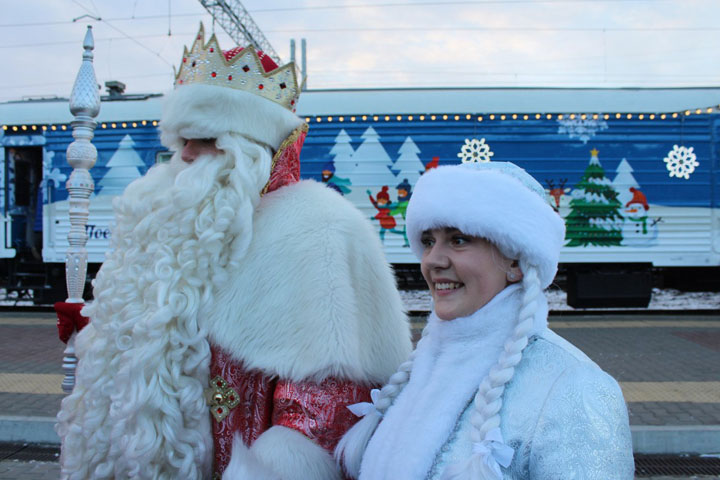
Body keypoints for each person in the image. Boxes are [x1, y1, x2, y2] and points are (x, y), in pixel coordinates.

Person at [56, 24, 411, 480]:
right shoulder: (178, 229)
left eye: (203, 140)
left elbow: (326, 410)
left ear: (252, 150)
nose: (184, 156)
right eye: (180, 140)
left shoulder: (313, 231)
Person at [336, 161, 634, 479]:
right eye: (428, 241)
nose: (432, 260)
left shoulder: (575, 388)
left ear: (516, 262)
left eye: (459, 239)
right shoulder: (422, 372)